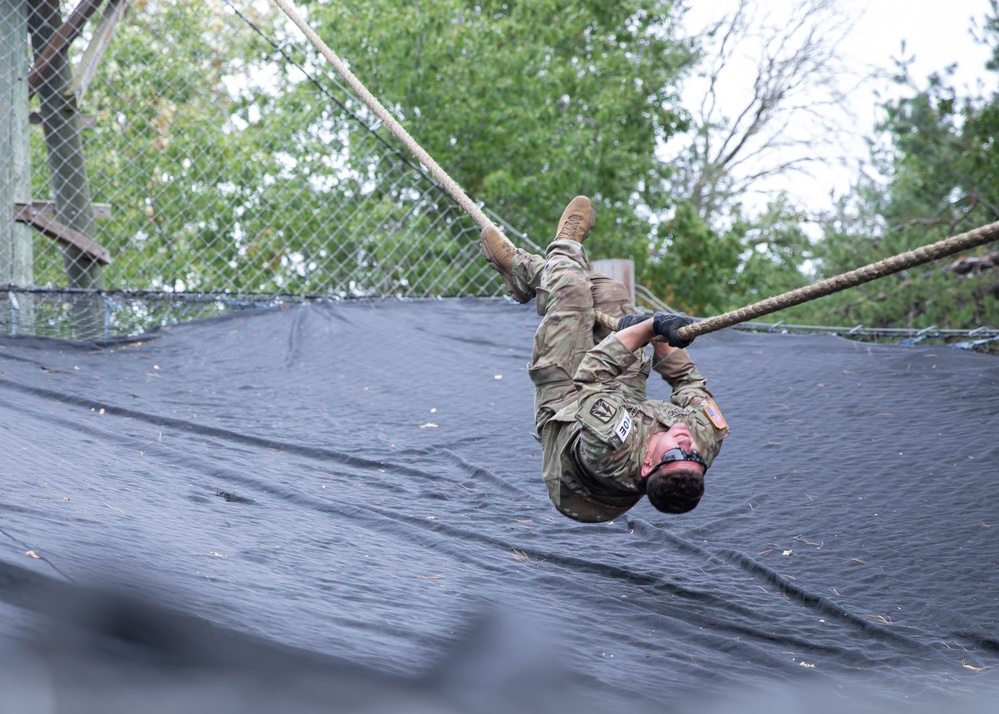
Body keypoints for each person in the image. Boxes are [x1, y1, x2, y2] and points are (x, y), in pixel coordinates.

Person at [480, 196, 728, 523]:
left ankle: (553, 252)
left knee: (570, 288)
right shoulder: (703, 441)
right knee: (610, 293)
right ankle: (532, 277)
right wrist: (667, 338)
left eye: (675, 454)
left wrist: (647, 328)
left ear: (647, 465)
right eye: (693, 456)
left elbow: (592, 376)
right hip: (623, 402)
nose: (685, 444)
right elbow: (688, 383)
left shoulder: (609, 449)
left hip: (567, 407)